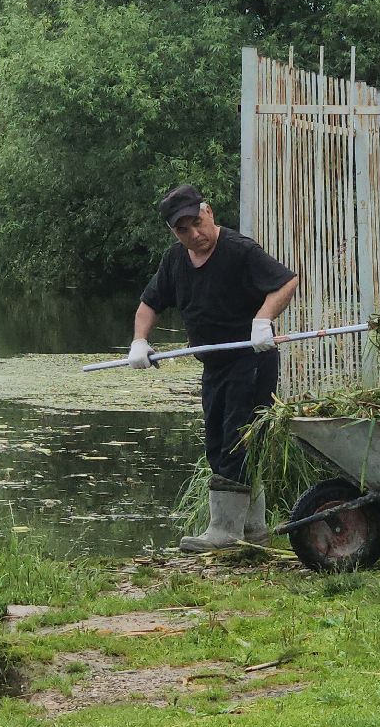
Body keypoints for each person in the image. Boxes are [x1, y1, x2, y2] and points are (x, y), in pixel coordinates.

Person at [127, 184, 299, 552]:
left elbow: (286, 281)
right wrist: (140, 341)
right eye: (182, 230)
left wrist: (263, 320)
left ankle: (224, 533)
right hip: (215, 364)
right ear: (173, 232)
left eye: (196, 223)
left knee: (238, 440)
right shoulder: (175, 261)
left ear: (209, 212)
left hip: (251, 360)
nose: (194, 235)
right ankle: (253, 530)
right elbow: (148, 305)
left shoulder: (239, 251)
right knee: (219, 442)